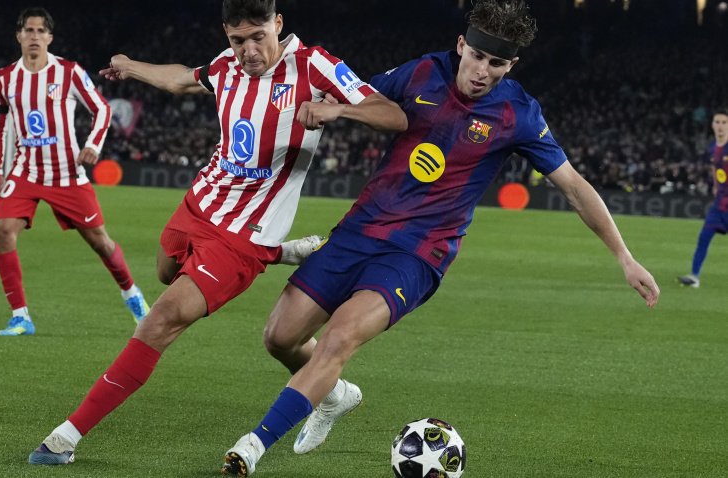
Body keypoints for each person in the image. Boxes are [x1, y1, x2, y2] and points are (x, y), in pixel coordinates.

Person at [220, 0, 661, 475]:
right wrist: (338, 110)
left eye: (496, 64)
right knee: (280, 337)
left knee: (338, 340)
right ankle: (336, 396)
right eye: (476, 56)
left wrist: (625, 257)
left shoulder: (518, 114)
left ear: (510, 65)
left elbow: (574, 186)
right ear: (461, 45)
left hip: (418, 253)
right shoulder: (420, 74)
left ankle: (252, 445)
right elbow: (367, 98)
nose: (481, 71)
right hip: (358, 230)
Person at [25, 0, 407, 466]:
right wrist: (130, 66)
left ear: (278, 24)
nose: (248, 50)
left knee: (161, 319)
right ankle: (282, 257)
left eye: (257, 37)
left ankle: (66, 437)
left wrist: (338, 111)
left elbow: (393, 115)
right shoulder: (226, 66)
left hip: (242, 234)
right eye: (237, 40)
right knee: (166, 272)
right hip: (199, 204)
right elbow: (182, 77)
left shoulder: (314, 65)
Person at [0, 7, 151, 336]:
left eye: (40, 31)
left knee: (101, 243)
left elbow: (101, 109)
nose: (34, 36)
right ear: (19, 35)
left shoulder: (69, 72)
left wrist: (93, 144)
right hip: (25, 172)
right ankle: (21, 317)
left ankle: (132, 295)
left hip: (67, 174)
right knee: (2, 231)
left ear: (49, 37)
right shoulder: (4, 79)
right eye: (28, 30)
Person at [678, 109, 728, 288]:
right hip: (719, 205)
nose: (721, 126)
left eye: (724, 122)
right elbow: (716, 168)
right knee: (703, 238)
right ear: (713, 125)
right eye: (718, 122)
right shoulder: (713, 147)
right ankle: (694, 277)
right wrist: (716, 186)